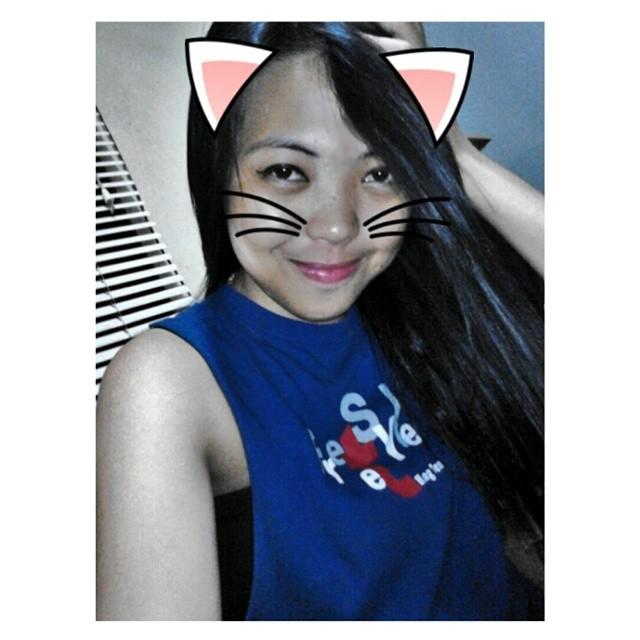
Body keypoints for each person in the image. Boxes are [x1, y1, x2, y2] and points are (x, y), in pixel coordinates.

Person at [96, 22, 544, 620]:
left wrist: (454, 154)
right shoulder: (170, 381)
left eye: (381, 172)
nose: (337, 226)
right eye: (286, 171)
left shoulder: (415, 311)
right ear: (220, 166)